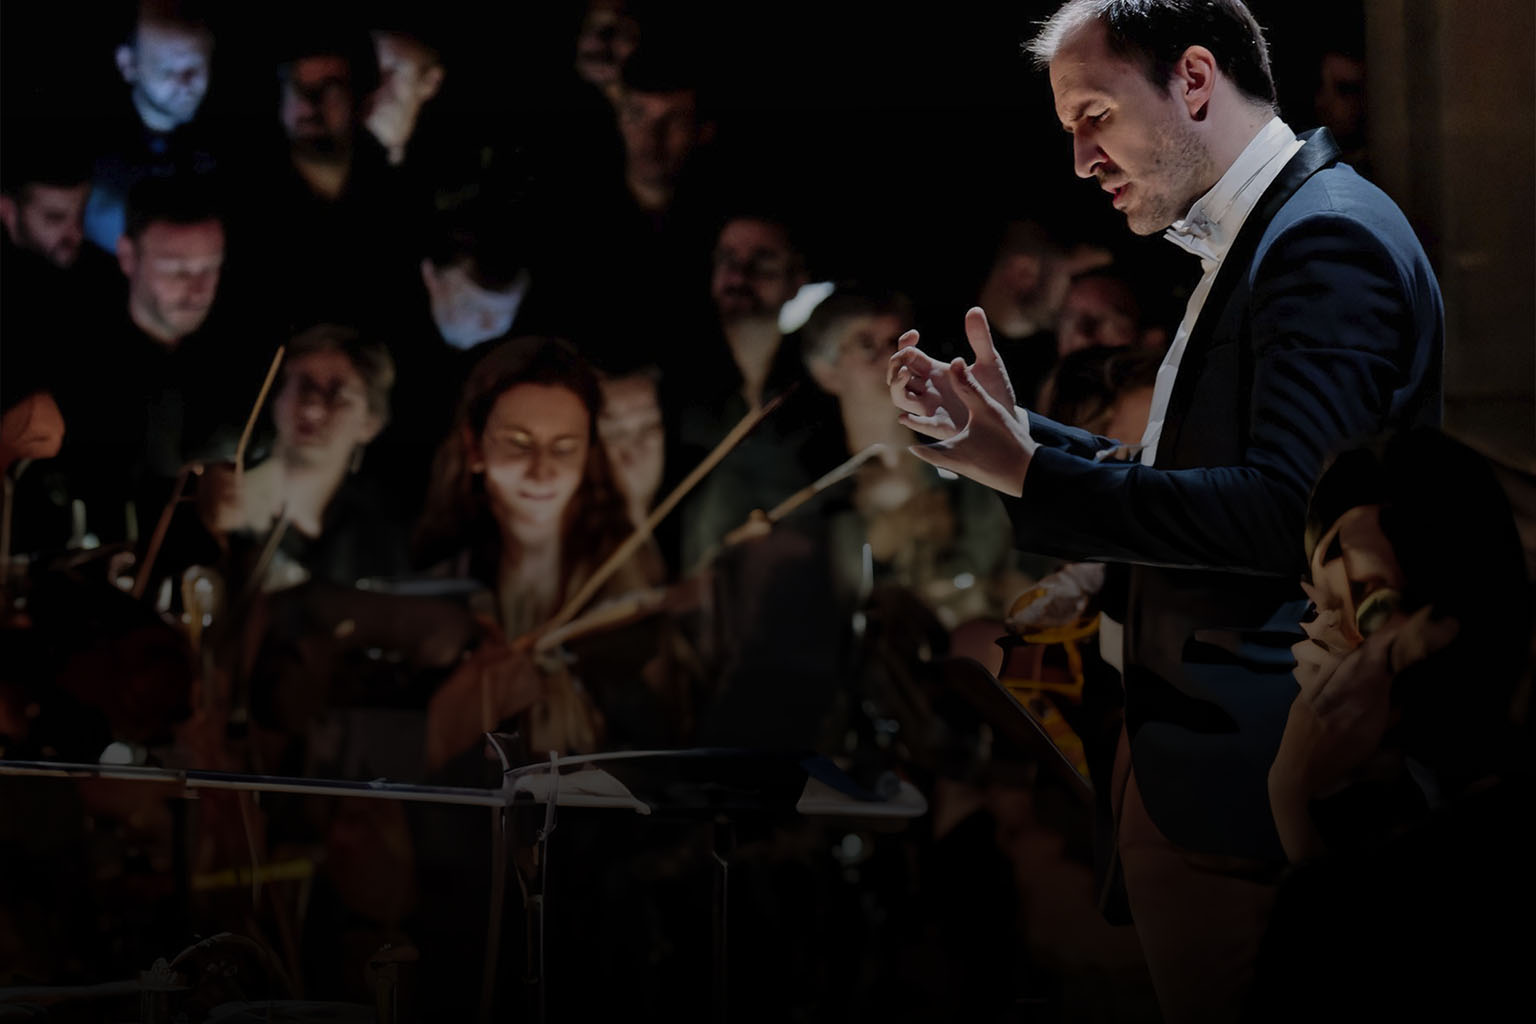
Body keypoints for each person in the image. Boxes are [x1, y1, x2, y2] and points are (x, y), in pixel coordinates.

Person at [888, 2, 1442, 1018]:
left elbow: (1287, 515)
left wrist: (1031, 479)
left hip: (1258, 794)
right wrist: (1020, 438)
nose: (1079, 159)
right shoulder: (1268, 235)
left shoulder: (1323, 242)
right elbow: (1197, 479)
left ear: (1193, 78)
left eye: (1093, 115)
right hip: (1210, 782)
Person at [414, 337, 670, 767]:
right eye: (519, 442)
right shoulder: (436, 601)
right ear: (475, 448)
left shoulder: (636, 600)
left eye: (564, 446)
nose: (542, 469)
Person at [197, 325, 408, 591]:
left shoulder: (378, 547)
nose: (313, 408)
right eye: (304, 385)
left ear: (370, 423)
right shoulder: (211, 499)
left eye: (338, 394)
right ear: (277, 399)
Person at [84, 0, 218, 253]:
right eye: (167, 70)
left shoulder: (230, 147)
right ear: (128, 65)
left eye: (196, 66)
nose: (185, 83)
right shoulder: (96, 160)